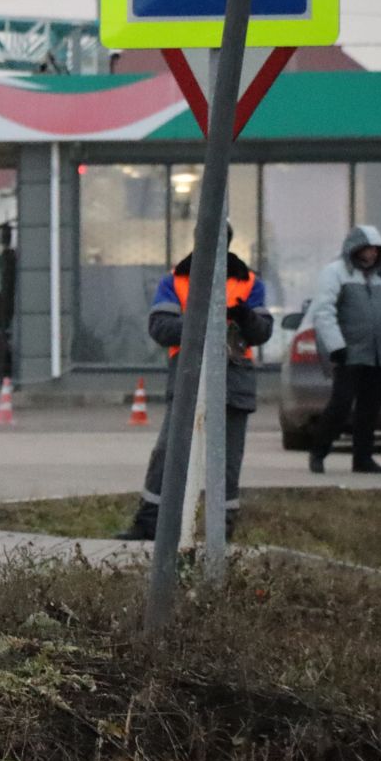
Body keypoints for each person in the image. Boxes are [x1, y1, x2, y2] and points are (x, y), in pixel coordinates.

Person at [116, 229, 273, 542]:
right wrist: (207, 322)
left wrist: (242, 316)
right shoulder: (176, 280)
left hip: (234, 380)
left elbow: (262, 331)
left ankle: (220, 533)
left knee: (226, 462)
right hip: (190, 376)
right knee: (168, 454)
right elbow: (160, 327)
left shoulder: (249, 282)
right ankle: (149, 524)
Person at [308, 225, 381, 475]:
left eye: (375, 250)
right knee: (340, 405)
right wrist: (336, 346)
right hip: (350, 354)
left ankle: (363, 459)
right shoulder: (335, 273)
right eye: (366, 249)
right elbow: (324, 312)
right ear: (355, 249)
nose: (371, 255)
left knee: (369, 410)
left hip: (377, 355)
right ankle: (318, 452)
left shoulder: (379, 280)